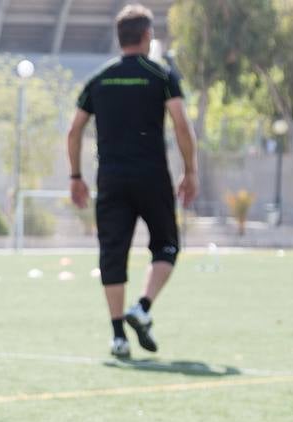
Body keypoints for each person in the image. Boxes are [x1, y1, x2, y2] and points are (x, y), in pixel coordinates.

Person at [68, 4, 197, 360]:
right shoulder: (161, 75)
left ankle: (117, 337)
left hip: (110, 178)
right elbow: (181, 125)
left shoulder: (98, 79)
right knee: (166, 247)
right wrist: (191, 170)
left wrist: (76, 176)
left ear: (118, 37)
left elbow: (74, 129)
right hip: (152, 176)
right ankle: (142, 307)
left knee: (113, 254)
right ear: (146, 36)